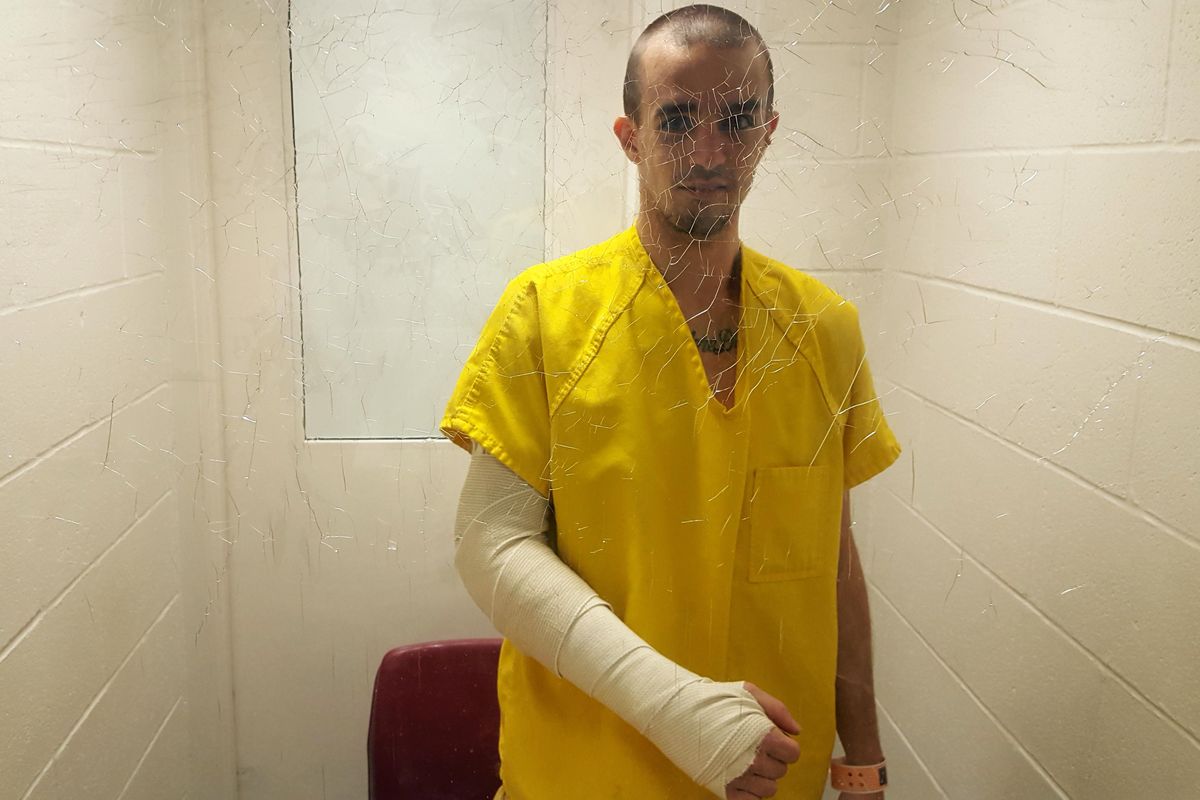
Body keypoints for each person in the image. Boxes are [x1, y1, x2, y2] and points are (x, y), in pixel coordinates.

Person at [442, 5, 899, 798]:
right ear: (630, 137)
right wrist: (677, 706)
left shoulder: (825, 330)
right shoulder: (546, 316)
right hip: (587, 774)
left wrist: (861, 761)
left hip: (775, 775)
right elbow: (492, 548)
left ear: (769, 131)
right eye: (678, 118)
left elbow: (834, 561)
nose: (710, 149)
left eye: (738, 119)